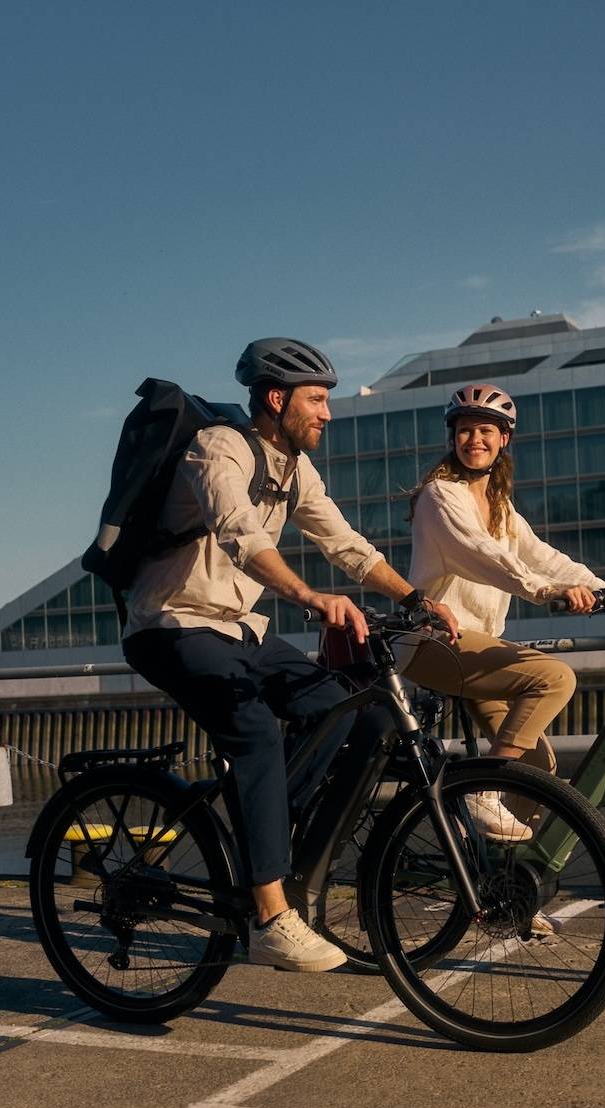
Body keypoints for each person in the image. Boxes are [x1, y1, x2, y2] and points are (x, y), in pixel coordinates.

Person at [121, 337, 458, 973]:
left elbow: (346, 544)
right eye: (317, 399)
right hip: (172, 626)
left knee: (359, 712)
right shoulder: (217, 449)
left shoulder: (295, 469)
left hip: (240, 629)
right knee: (252, 734)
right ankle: (271, 917)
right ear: (277, 399)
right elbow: (241, 538)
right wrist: (307, 595)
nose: (327, 413)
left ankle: (277, 829)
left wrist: (417, 599)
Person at [401, 382, 605, 851]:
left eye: (486, 431)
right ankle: (481, 791)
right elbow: (484, 555)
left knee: (537, 772)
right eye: (466, 431)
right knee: (554, 678)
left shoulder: (500, 506)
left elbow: (541, 555)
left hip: (475, 648)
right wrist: (548, 591)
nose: (475, 439)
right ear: (453, 438)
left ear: (504, 439)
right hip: (434, 643)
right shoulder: (440, 495)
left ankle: (506, 893)